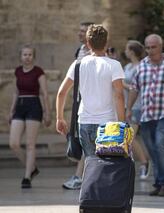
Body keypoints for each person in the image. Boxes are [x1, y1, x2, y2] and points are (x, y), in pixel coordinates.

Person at [126, 34, 164, 197]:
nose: (150, 50)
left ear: (161, 47)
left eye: (153, 47)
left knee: (161, 144)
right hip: (146, 115)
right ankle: (159, 182)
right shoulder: (142, 66)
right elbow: (134, 88)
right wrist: (128, 109)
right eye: (147, 47)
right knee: (153, 149)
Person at [56, 24, 125, 160]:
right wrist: (122, 123)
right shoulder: (114, 65)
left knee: (91, 163)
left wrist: (59, 118)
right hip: (108, 122)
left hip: (85, 122)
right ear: (106, 43)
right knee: (107, 165)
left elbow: (61, 93)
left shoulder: (78, 65)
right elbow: (119, 96)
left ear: (88, 43)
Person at [8, 45, 51, 188]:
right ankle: (32, 167)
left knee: (30, 144)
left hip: (34, 105)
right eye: (25, 54)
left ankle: (27, 177)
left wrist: (47, 113)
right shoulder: (18, 71)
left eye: (30, 54)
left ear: (34, 56)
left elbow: (44, 93)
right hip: (20, 105)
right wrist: (11, 110)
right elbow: (15, 91)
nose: (27, 57)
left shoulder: (39, 72)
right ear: (21, 56)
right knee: (14, 143)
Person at [62, 21, 94, 190]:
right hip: (79, 99)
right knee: (78, 137)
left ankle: (79, 176)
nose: (79, 34)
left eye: (83, 31)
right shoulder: (79, 51)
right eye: (79, 30)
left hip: (91, 101)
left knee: (85, 138)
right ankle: (81, 175)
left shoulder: (96, 53)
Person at [123, 40, 151, 180]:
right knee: (128, 137)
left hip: (137, 106)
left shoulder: (140, 67)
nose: (125, 51)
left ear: (132, 51)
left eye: (127, 49)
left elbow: (138, 87)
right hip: (127, 106)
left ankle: (144, 162)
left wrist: (125, 85)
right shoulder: (127, 66)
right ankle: (143, 160)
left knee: (130, 137)